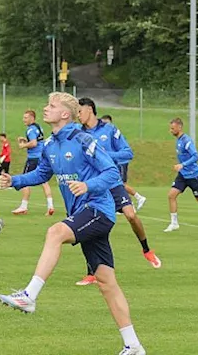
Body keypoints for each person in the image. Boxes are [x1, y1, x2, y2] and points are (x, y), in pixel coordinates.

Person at [0, 93, 145, 355]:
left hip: (98, 210)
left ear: (65, 114)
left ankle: (29, 296)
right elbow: (43, 173)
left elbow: (111, 171)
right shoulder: (51, 144)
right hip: (83, 213)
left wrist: (89, 185)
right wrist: (15, 181)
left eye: (52, 106)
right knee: (106, 282)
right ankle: (133, 344)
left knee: (55, 232)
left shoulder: (83, 139)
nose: (45, 108)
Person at [75, 98, 159, 286]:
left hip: (111, 182)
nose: (77, 115)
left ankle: (146, 249)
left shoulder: (110, 130)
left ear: (90, 109)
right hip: (90, 185)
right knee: (87, 225)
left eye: (79, 111)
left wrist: (101, 154)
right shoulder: (78, 134)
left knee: (131, 215)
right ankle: (91, 272)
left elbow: (128, 153)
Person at [13, 109, 55, 215]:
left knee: (25, 180)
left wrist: (23, 145)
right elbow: (38, 141)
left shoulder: (30, 129)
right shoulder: (38, 127)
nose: (24, 120)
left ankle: (23, 206)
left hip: (33, 158)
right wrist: (27, 141)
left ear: (32, 118)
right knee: (44, 181)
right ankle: (50, 205)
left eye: (26, 117)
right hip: (42, 156)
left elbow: (34, 143)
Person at [101, 114, 146, 211]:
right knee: (115, 185)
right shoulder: (101, 134)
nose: (104, 125)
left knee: (120, 184)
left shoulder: (114, 134)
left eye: (106, 123)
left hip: (121, 163)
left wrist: (108, 154)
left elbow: (126, 151)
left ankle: (137, 198)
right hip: (113, 163)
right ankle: (126, 204)